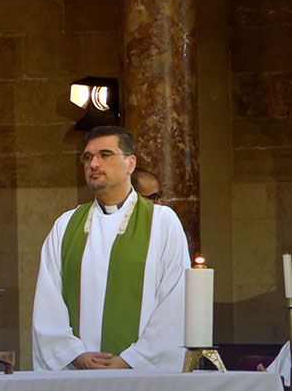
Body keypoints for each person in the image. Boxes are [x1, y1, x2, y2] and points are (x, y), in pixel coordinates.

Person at [32, 126, 189, 371]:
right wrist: (75, 354)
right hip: (80, 376)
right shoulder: (65, 226)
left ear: (130, 163)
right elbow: (48, 300)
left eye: (105, 155)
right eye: (87, 157)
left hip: (140, 379)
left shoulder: (162, 223)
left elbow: (175, 301)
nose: (93, 163)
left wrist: (131, 360)